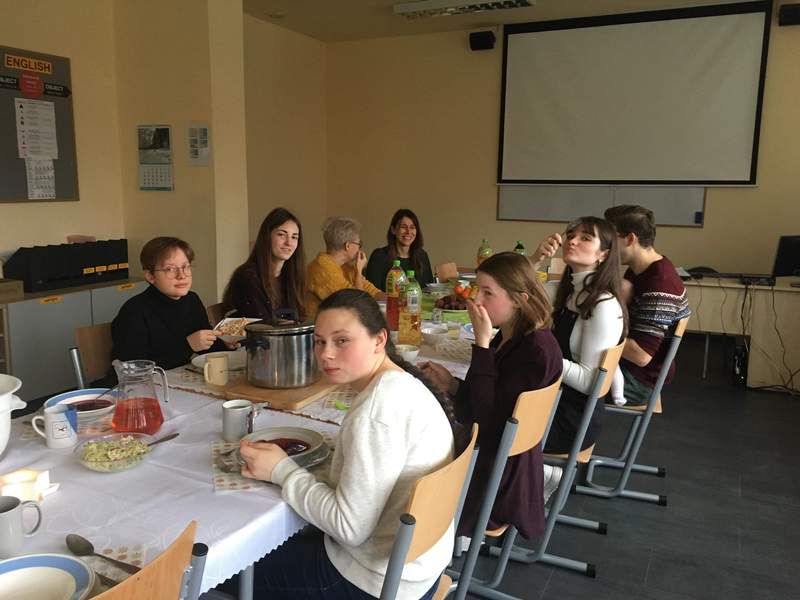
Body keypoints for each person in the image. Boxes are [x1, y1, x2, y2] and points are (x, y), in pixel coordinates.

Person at [237, 289, 460, 599]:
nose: (326, 354)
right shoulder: (401, 383)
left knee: (226, 567)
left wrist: (281, 471)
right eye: (319, 341)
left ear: (379, 340)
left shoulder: (376, 411)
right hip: (417, 568)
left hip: (372, 581)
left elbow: (348, 527)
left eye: (342, 341)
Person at [419, 252, 562, 541]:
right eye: (477, 290)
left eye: (488, 293)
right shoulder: (512, 333)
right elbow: (491, 400)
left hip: (494, 477)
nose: (477, 300)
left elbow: (484, 420)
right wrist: (452, 385)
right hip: (496, 457)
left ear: (519, 299)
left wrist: (482, 345)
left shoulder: (535, 350)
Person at [531, 217, 627, 454]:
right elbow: (516, 295)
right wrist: (535, 260)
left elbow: (589, 382)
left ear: (603, 254)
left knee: (484, 423)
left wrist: (541, 355)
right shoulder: (565, 291)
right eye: (571, 236)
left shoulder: (603, 305)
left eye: (585, 238)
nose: (572, 241)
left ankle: (543, 472)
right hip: (550, 399)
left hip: (571, 419)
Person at [603, 205, 690, 405]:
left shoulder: (660, 284)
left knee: (559, 383)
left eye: (610, 239)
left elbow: (641, 355)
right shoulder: (639, 269)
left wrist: (595, 334)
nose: (606, 245)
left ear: (630, 239)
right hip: (628, 367)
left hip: (639, 381)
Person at [110, 237, 226, 371]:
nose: (182, 275)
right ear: (150, 276)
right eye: (170, 269)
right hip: (144, 381)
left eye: (186, 267)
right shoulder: (134, 311)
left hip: (178, 375)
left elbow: (205, 347)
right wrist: (187, 346)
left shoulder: (192, 299)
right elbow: (133, 369)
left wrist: (224, 344)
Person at [222, 207, 306, 322]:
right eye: (281, 235)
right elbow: (261, 326)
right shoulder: (248, 277)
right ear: (267, 236)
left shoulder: (291, 275)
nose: (289, 243)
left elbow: (298, 319)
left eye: (294, 237)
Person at [305, 217, 385, 317]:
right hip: (320, 325)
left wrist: (395, 299)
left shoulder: (345, 266)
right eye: (359, 244)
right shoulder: (321, 268)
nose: (360, 248)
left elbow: (372, 291)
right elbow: (356, 304)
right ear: (348, 245)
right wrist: (359, 271)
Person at [365, 209, 434, 291]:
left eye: (412, 227)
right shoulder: (379, 256)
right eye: (403, 227)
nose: (408, 232)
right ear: (393, 230)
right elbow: (371, 293)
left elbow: (429, 290)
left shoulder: (422, 256)